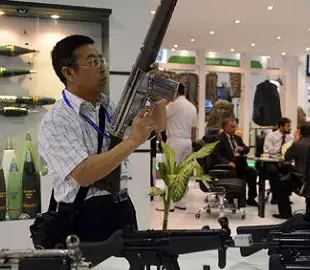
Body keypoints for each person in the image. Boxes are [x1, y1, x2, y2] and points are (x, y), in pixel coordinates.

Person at [38, 34, 167, 242]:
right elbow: (84, 173)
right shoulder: (56, 120)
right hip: (82, 216)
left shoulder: (108, 107)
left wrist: (157, 97)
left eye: (101, 60)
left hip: (121, 208)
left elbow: (157, 126)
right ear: (69, 72)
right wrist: (132, 141)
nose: (101, 67)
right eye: (92, 62)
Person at [271, 121, 310, 219]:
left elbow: (287, 156)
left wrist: (296, 141)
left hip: (303, 182)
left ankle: (285, 213)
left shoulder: (298, 145)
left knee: (279, 184)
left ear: (300, 132)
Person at [164, 82, 198, 211]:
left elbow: (161, 117)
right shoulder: (192, 107)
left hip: (174, 140)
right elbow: (194, 129)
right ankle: (181, 202)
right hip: (187, 141)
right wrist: (191, 144)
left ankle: (170, 204)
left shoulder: (173, 105)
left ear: (175, 92)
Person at [211, 117, 258, 206]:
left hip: (240, 164)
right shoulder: (219, 139)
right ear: (225, 127)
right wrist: (227, 163)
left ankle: (251, 198)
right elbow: (215, 155)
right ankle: (237, 199)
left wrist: (242, 148)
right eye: (232, 127)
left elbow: (247, 149)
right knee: (240, 174)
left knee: (252, 172)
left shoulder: (237, 138)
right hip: (227, 166)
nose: (234, 129)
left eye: (235, 126)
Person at [264, 117, 294, 204]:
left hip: (284, 161)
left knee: (292, 171)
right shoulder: (271, 136)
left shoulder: (290, 137)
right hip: (271, 161)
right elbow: (267, 150)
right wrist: (280, 149)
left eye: (290, 126)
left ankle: (286, 196)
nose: (290, 128)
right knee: (273, 171)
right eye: (288, 126)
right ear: (281, 127)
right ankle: (275, 196)